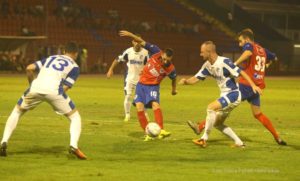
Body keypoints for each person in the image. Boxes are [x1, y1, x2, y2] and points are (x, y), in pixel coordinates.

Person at [187, 29, 287, 145]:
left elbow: (248, 53)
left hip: (246, 85)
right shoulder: (263, 50)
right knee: (258, 114)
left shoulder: (250, 45)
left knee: (221, 106)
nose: (240, 44)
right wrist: (266, 65)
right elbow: (274, 58)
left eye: (240, 41)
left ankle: (200, 127)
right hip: (257, 87)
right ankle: (277, 137)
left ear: (247, 39)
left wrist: (235, 63)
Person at [0, 42, 87, 159]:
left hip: (35, 88)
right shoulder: (75, 67)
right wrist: (57, 103)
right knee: (75, 117)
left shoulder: (51, 58)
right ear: (76, 54)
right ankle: (73, 145)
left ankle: (3, 142)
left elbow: (29, 68)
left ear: (64, 51)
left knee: (17, 111)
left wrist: (32, 86)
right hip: (54, 91)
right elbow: (66, 87)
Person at [179, 41, 262, 148]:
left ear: (209, 52)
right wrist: (186, 82)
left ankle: (203, 139)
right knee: (217, 124)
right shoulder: (207, 65)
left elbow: (241, 72)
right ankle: (239, 143)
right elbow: (195, 79)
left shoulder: (224, 62)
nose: (200, 54)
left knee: (210, 108)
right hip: (225, 95)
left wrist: (253, 85)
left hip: (233, 94)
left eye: (202, 52)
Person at [119, 30, 177, 141]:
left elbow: (174, 79)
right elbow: (141, 41)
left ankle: (161, 129)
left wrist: (174, 90)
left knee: (155, 105)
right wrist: (130, 35)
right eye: (164, 58)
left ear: (171, 59)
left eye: (167, 60)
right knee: (139, 107)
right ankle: (148, 133)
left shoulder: (171, 69)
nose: (165, 61)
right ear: (162, 53)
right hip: (141, 85)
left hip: (153, 86)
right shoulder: (155, 51)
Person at [107, 35, 149, 122]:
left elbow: (150, 64)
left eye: (139, 41)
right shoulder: (128, 51)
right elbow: (117, 59)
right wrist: (110, 69)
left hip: (141, 80)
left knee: (143, 98)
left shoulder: (146, 53)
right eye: (136, 41)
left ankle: (145, 114)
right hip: (129, 78)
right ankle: (127, 115)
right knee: (128, 96)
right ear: (132, 42)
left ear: (142, 42)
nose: (137, 43)